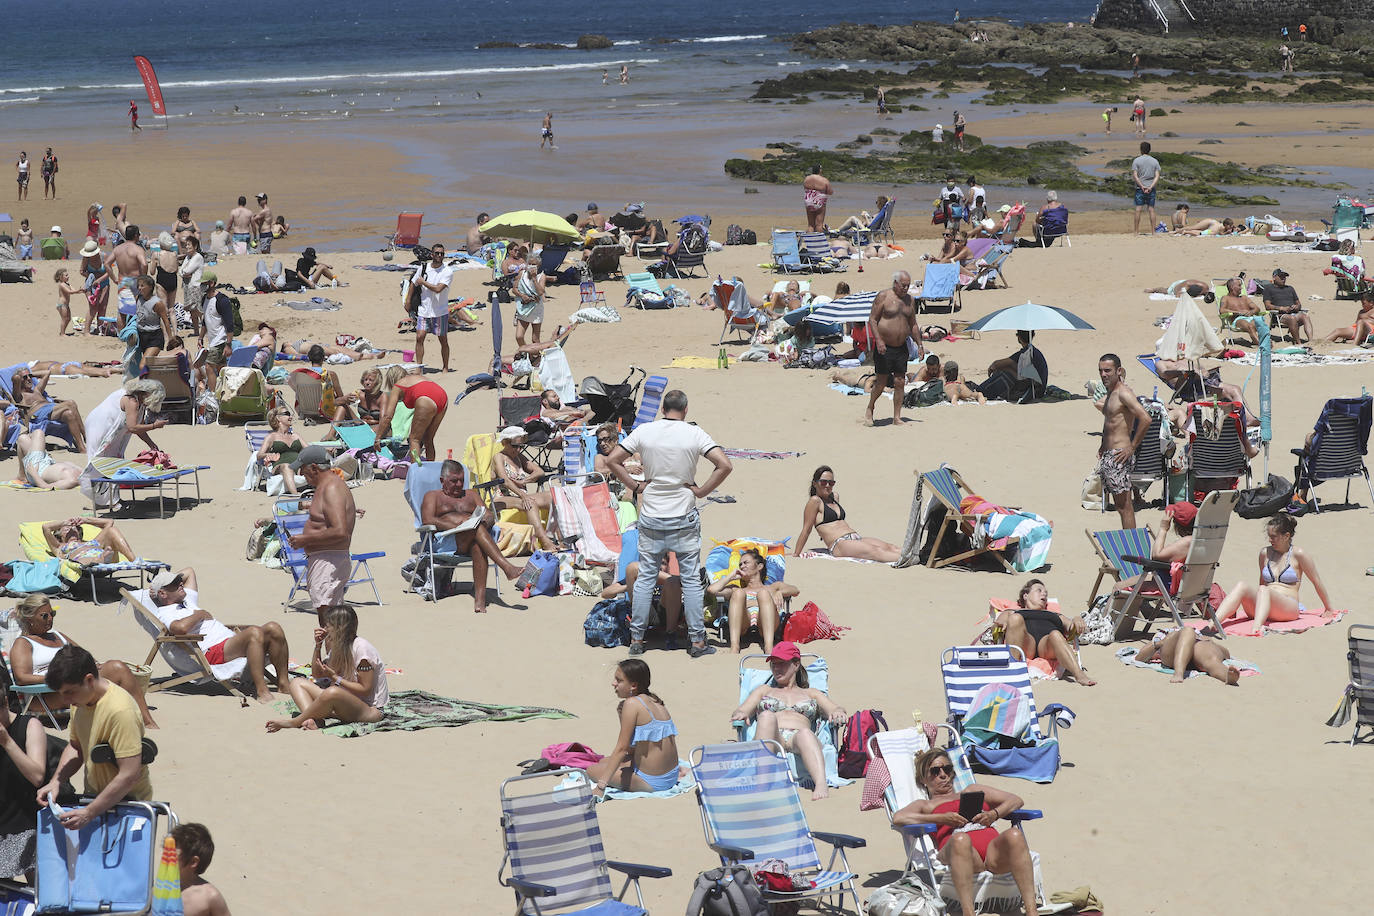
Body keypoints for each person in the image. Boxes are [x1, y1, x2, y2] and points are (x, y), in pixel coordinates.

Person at [605, 389, 731, 658]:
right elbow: (724, 465)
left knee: (645, 579)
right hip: (682, 514)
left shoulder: (645, 431)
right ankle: (697, 642)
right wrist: (701, 491)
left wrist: (634, 485)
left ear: (663, 409)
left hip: (651, 514)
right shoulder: (694, 433)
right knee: (691, 581)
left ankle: (637, 639)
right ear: (685, 410)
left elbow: (612, 460)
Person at [892, 747, 1041, 916]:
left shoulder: (971, 790)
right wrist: (942, 818)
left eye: (947, 769)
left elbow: (1015, 800)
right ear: (923, 778)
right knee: (960, 839)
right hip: (958, 851)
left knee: (1015, 834)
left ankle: (1031, 911)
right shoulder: (926, 805)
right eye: (935, 771)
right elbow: (899, 818)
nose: (943, 775)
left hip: (994, 856)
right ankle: (968, 913)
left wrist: (993, 814)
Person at [38, 644, 153, 831]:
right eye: (61, 694)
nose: (65, 700)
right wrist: (56, 781)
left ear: (89, 680)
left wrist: (90, 812)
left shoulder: (120, 710)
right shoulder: (80, 701)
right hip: (96, 802)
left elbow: (129, 775)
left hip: (130, 809)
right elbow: (76, 747)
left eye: (69, 692)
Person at [9, 593, 159, 727]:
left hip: (75, 684)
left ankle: (145, 720)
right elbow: (22, 678)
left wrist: (94, 664)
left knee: (117, 667)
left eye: (52, 614)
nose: (50, 619)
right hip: (45, 694)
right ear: (29, 619)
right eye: (44, 616)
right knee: (100, 682)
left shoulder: (57, 635)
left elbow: (83, 655)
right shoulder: (23, 643)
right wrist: (58, 678)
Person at [146, 568, 292, 703]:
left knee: (274, 628)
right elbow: (180, 628)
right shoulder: (165, 612)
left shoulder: (186, 600)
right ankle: (262, 690)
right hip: (212, 651)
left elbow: (189, 572)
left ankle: (283, 684)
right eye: (174, 584)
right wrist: (200, 614)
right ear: (163, 594)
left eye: (179, 581)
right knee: (254, 632)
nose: (180, 584)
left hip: (229, 643)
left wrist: (156, 586)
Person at [729, 642, 847, 800]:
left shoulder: (812, 693)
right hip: (774, 738)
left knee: (805, 733)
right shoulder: (765, 690)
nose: (777, 668)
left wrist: (838, 713)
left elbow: (835, 709)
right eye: (774, 664)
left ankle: (820, 784)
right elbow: (743, 709)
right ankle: (763, 783)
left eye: (782, 664)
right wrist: (740, 714)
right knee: (766, 716)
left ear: (796, 664)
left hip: (799, 739)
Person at [420, 460, 530, 612]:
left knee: (477, 543)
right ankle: (506, 566)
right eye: (454, 481)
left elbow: (489, 514)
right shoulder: (433, 496)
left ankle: (480, 600)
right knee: (474, 529)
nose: (459, 484)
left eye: (461, 480)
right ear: (442, 480)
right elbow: (428, 520)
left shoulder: (471, 495)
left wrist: (486, 520)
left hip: (472, 537)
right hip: (447, 542)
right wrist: (458, 527)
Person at [267, 605, 387, 732]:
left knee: (333, 691)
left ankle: (295, 722)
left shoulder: (362, 649)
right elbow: (317, 674)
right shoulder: (339, 646)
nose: (324, 629)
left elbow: (365, 690)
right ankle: (315, 720)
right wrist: (318, 645)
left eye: (328, 625)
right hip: (343, 702)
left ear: (340, 627)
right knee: (297, 683)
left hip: (369, 710)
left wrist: (336, 678)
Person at [1211, 514, 1334, 636]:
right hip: (1266, 605)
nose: (1270, 540)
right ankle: (1214, 622)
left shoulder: (1299, 554)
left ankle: (1257, 627)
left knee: (1265, 590)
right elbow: (1261, 582)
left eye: (1274, 537)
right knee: (1242, 586)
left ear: (1286, 536)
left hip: (1288, 608)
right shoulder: (1265, 553)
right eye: (1269, 536)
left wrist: (1328, 608)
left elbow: (1316, 581)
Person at [587, 659, 683, 796]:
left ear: (633, 685)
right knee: (604, 761)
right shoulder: (655, 701)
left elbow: (622, 749)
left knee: (591, 770)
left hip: (653, 782)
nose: (613, 683)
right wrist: (622, 718)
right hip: (670, 775)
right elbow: (636, 748)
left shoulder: (632, 704)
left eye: (619, 680)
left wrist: (601, 786)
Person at [284, 447, 357, 623]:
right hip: (326, 559)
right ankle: (332, 651)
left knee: (329, 624)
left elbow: (340, 531)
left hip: (328, 561)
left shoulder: (331, 488)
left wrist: (305, 539)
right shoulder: (327, 487)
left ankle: (332, 651)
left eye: (303, 470)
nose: (302, 475)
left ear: (315, 468)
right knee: (331, 623)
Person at [994, 580, 1095, 686]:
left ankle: (1079, 675)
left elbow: (1071, 626)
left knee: (1055, 634)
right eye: (1039, 590)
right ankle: (1012, 669)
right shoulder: (1012, 611)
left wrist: (1076, 619)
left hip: (1047, 646)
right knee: (1015, 618)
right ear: (1025, 595)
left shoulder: (1055, 614)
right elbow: (999, 621)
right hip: (1026, 644)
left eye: (1046, 593)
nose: (1044, 594)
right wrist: (1002, 623)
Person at [793, 465, 901, 562]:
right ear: (815, 483)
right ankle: (911, 559)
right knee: (875, 551)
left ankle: (916, 555)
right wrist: (797, 553)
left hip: (855, 538)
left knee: (889, 547)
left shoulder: (834, 497)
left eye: (831, 483)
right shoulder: (815, 501)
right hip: (839, 544)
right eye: (823, 482)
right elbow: (806, 529)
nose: (827, 485)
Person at [1094, 354, 1151, 529]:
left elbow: (1146, 418)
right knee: (1122, 506)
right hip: (1111, 455)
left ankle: (1131, 546)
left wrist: (1132, 447)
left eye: (1108, 371)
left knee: (1124, 507)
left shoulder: (1123, 393)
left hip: (1119, 455)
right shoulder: (1111, 393)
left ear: (1119, 371)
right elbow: (1111, 422)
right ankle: (1129, 543)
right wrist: (1103, 444)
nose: (1104, 374)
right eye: (1101, 371)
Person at [706, 548, 797, 654]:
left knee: (763, 594)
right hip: (743, 624)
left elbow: (795, 590)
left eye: (746, 563)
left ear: (759, 566)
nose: (742, 566)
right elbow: (711, 590)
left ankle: (768, 647)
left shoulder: (772, 587)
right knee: (739, 593)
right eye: (740, 565)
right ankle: (735, 647)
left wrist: (780, 592)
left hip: (766, 625)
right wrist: (730, 577)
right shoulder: (736, 589)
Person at [0, 680, 45, 880]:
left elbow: (37, 776)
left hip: (26, 822)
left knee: (39, 892)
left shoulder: (29, 725)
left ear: (5, 705)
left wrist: (7, 742)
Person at [490, 427, 557, 551]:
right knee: (529, 503)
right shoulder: (498, 457)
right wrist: (523, 495)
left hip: (520, 496)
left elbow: (539, 471)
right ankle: (544, 541)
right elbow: (505, 480)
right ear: (505, 442)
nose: (518, 449)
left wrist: (524, 481)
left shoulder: (519, 457)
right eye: (515, 446)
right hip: (501, 498)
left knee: (552, 496)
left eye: (521, 446)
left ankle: (558, 537)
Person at [864, 271, 918, 427]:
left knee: (900, 382)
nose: (906, 288)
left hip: (902, 346)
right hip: (884, 347)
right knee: (881, 382)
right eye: (903, 285)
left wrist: (920, 345)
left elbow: (913, 324)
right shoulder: (884, 296)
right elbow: (872, 320)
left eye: (908, 285)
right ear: (895, 283)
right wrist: (878, 340)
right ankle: (871, 406)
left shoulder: (910, 300)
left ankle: (897, 417)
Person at [10, 364, 88, 452]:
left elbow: (47, 372)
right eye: (25, 377)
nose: (28, 379)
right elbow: (15, 378)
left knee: (69, 414)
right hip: (39, 415)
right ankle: (86, 436)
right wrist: (21, 376)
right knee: (71, 403)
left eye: (30, 376)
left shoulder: (37, 390)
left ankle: (81, 447)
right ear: (20, 380)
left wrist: (30, 375)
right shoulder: (19, 395)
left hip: (52, 410)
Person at [376, 375, 448, 462]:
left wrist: (378, 438)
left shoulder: (397, 386)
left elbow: (387, 416)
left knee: (414, 439)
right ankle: (430, 468)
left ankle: (416, 468)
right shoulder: (413, 379)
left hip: (425, 398)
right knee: (428, 438)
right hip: (442, 396)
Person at [1135, 627, 1239, 685]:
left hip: (1198, 643)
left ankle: (1227, 676)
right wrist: (1160, 643)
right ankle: (1179, 673)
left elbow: (1226, 653)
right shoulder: (1163, 635)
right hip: (1172, 651)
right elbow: (1139, 658)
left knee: (1211, 659)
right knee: (1188, 631)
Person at [170, 823, 232, 916]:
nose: (166, 858)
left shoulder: (209, 897)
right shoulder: (161, 888)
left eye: (172, 854)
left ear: (193, 862)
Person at [413, 242, 454, 372]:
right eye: (437, 253)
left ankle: (445, 367)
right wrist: (408, 302)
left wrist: (423, 282)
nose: (439, 255)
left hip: (439, 311)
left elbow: (438, 289)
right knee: (419, 337)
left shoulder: (447, 271)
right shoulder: (424, 268)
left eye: (442, 253)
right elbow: (413, 283)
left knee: (443, 340)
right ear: (432, 254)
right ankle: (419, 366)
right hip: (424, 310)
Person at [983, 330, 1048, 402]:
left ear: (1019, 338)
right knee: (1006, 369)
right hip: (1039, 390)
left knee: (1004, 373)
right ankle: (984, 391)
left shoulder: (1027, 353)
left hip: (1032, 391)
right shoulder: (1033, 351)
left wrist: (993, 367)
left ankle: (982, 391)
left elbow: (997, 364)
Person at [255, 407, 304, 494]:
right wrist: (269, 455)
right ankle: (295, 496)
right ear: (278, 418)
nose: (291, 417)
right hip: (280, 467)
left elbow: (309, 449)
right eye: (287, 414)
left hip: (299, 466)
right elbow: (259, 455)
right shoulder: (271, 437)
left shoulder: (296, 436)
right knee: (287, 466)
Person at [199, 272, 234, 390]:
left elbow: (229, 324)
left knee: (209, 366)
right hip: (212, 339)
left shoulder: (222, 300)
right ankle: (225, 391)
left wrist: (228, 344)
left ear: (212, 283)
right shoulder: (205, 299)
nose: (202, 286)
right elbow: (205, 319)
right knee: (221, 368)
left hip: (220, 340)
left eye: (204, 283)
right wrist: (200, 337)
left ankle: (213, 394)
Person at [16, 429, 82, 489]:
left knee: (37, 433)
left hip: (37, 471)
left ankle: (22, 475)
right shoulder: (81, 472)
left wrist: (33, 473)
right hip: (46, 463)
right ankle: (22, 475)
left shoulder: (71, 481)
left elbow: (45, 486)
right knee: (22, 439)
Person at [133, 274, 173, 372]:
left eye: (142, 285)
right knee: (145, 366)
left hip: (154, 338)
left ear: (150, 287)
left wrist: (171, 339)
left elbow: (166, 321)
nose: (139, 288)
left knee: (143, 365)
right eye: (138, 285)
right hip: (141, 336)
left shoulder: (157, 303)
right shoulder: (138, 298)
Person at [1262, 268, 1311, 343]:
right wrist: (1281, 308)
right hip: (1279, 315)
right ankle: (1298, 343)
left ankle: (1311, 341)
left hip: (1293, 312)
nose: (1283, 279)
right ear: (1274, 277)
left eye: (1284, 277)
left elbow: (1298, 303)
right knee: (1292, 318)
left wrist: (1297, 306)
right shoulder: (1268, 288)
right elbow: (1267, 306)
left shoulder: (1290, 288)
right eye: (1281, 277)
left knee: (1305, 316)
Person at [1221, 277, 1265, 346]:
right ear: (1232, 287)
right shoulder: (1226, 298)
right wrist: (1238, 312)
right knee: (1250, 326)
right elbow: (1222, 310)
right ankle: (1262, 345)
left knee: (1260, 324)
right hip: (1238, 319)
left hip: (1251, 317)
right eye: (1239, 285)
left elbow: (1257, 308)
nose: (1241, 288)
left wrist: (1251, 312)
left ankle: (1259, 340)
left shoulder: (1244, 298)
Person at [513, 259, 545, 347]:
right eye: (529, 263)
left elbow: (541, 292)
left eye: (533, 264)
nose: (531, 266)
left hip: (536, 309)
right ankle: (527, 353)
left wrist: (534, 279)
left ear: (538, 265)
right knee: (519, 336)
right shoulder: (521, 274)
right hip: (523, 308)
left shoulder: (541, 276)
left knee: (535, 339)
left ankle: (537, 357)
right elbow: (514, 289)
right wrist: (522, 295)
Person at [1131, 140, 1160, 234]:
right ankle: (1153, 232)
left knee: (1138, 209)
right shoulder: (1154, 161)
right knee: (1151, 209)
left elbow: (1135, 175)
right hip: (1151, 188)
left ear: (1141, 150)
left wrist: (1142, 186)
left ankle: (1136, 231)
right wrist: (1151, 187)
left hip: (1140, 189)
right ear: (1149, 150)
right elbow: (1157, 176)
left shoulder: (1137, 160)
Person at [802, 165, 832, 232]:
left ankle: (810, 240)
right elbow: (830, 192)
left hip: (809, 200)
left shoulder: (807, 179)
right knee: (819, 224)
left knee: (810, 225)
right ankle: (818, 241)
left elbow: (805, 188)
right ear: (820, 170)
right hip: (819, 201)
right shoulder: (824, 180)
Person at [54, 265, 82, 336]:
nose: (68, 276)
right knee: (64, 319)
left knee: (68, 318)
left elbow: (74, 291)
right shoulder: (62, 285)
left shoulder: (68, 284)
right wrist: (77, 291)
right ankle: (62, 333)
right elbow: (69, 292)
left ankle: (63, 332)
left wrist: (81, 291)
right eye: (66, 275)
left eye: (68, 275)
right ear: (61, 277)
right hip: (61, 304)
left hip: (66, 305)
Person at [1174, 217, 1241, 237]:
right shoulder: (1222, 228)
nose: (1231, 228)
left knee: (1197, 230)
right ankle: (1176, 231)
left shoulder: (1229, 227)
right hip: (1211, 222)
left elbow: (1235, 229)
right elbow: (1220, 233)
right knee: (1193, 227)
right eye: (1230, 226)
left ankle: (1179, 230)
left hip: (1211, 226)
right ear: (1226, 225)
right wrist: (1227, 233)